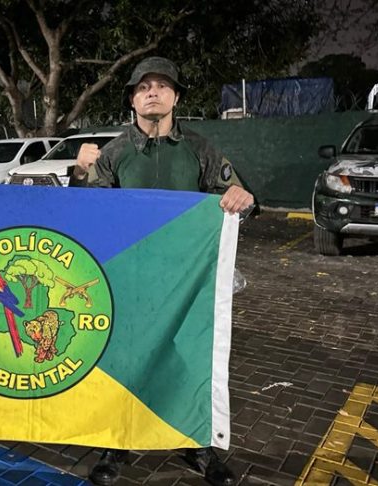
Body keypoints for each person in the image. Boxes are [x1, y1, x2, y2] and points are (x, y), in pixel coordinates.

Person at [69, 56, 254, 486]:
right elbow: (84, 214)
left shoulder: (201, 149)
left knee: (190, 362)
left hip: (186, 284)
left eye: (162, 85)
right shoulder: (113, 153)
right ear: (132, 100)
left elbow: (239, 198)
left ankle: (198, 444)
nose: (152, 92)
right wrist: (78, 173)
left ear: (176, 98)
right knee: (122, 361)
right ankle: (115, 443)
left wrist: (243, 198)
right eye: (143, 87)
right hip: (127, 283)